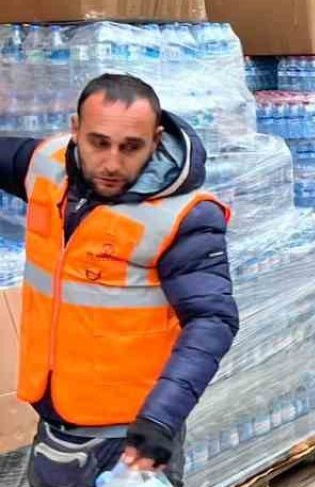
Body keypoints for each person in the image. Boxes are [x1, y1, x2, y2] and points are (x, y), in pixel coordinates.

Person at [0, 74, 238, 486]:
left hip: (128, 443)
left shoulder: (183, 217)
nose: (112, 163)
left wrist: (160, 418)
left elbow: (212, 320)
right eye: (98, 143)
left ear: (156, 138)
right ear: (75, 131)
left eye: (131, 148)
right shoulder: (49, 167)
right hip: (54, 423)